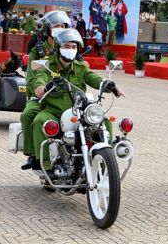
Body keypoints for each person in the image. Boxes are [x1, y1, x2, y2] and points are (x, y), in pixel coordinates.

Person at [30, 28, 124, 172]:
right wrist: (43, 87)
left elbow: (94, 78)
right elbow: (39, 82)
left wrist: (110, 85)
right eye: (67, 46)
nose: (71, 50)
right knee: (39, 121)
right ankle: (45, 164)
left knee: (104, 121)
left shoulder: (81, 67)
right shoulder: (48, 66)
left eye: (74, 47)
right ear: (58, 48)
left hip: (78, 112)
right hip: (53, 111)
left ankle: (107, 160)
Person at [20, 11, 71, 170]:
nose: (60, 28)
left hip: (65, 95)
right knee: (28, 115)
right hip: (42, 95)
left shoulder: (68, 47)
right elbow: (33, 76)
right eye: (56, 26)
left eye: (63, 26)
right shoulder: (38, 51)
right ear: (47, 29)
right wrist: (38, 89)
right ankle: (33, 154)